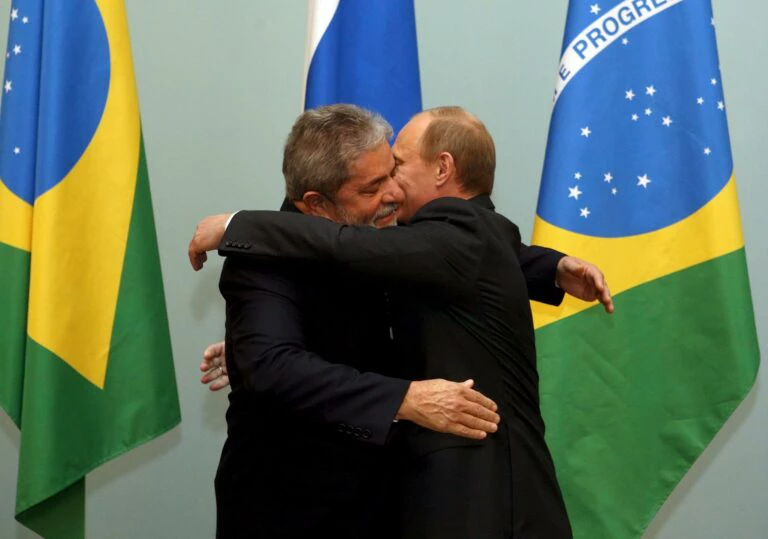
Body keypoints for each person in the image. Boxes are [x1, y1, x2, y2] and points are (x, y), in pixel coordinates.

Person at [190, 105, 613, 538]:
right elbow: (275, 367)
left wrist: (552, 267)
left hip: (391, 507)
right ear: (317, 204)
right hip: (297, 513)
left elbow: (473, 248)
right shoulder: (263, 262)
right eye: (375, 185)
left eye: (394, 171)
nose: (394, 193)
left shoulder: (387, 236)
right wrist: (403, 398)